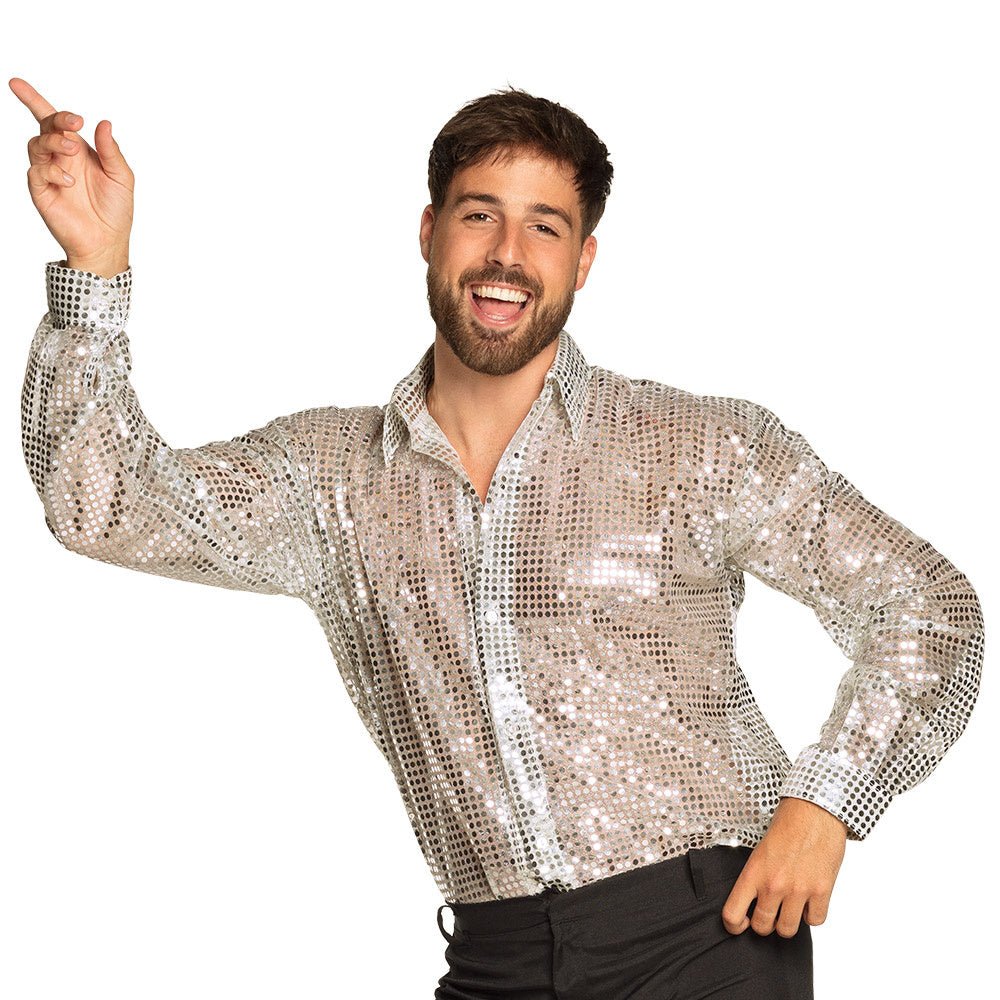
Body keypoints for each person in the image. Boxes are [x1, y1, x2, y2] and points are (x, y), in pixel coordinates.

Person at [12, 77, 985, 1000]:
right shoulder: (326, 476)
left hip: (705, 938)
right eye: (480, 214)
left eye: (544, 226)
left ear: (583, 260)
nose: (507, 253)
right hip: (495, 957)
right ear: (429, 232)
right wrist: (93, 272)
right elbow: (106, 503)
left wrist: (827, 804)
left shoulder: (698, 444)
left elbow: (928, 608)